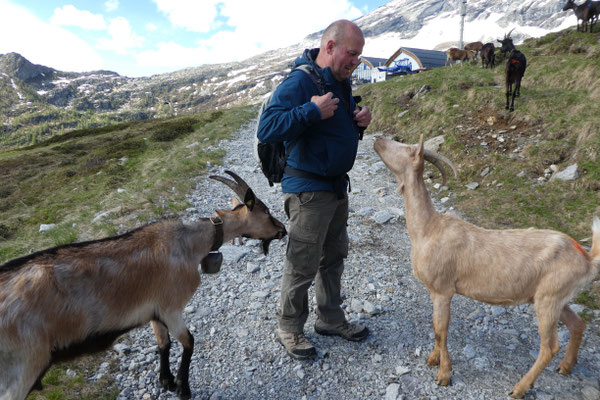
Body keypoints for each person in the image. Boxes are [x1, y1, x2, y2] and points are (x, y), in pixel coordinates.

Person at [257, 19, 372, 360]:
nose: (355, 61)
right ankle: (289, 328)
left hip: (335, 188)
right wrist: (310, 110)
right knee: (303, 262)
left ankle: (330, 319)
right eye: (351, 54)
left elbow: (335, 122)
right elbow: (268, 127)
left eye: (359, 56)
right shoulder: (300, 80)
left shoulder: (340, 81)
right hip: (308, 190)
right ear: (330, 47)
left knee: (334, 256)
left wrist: (358, 120)